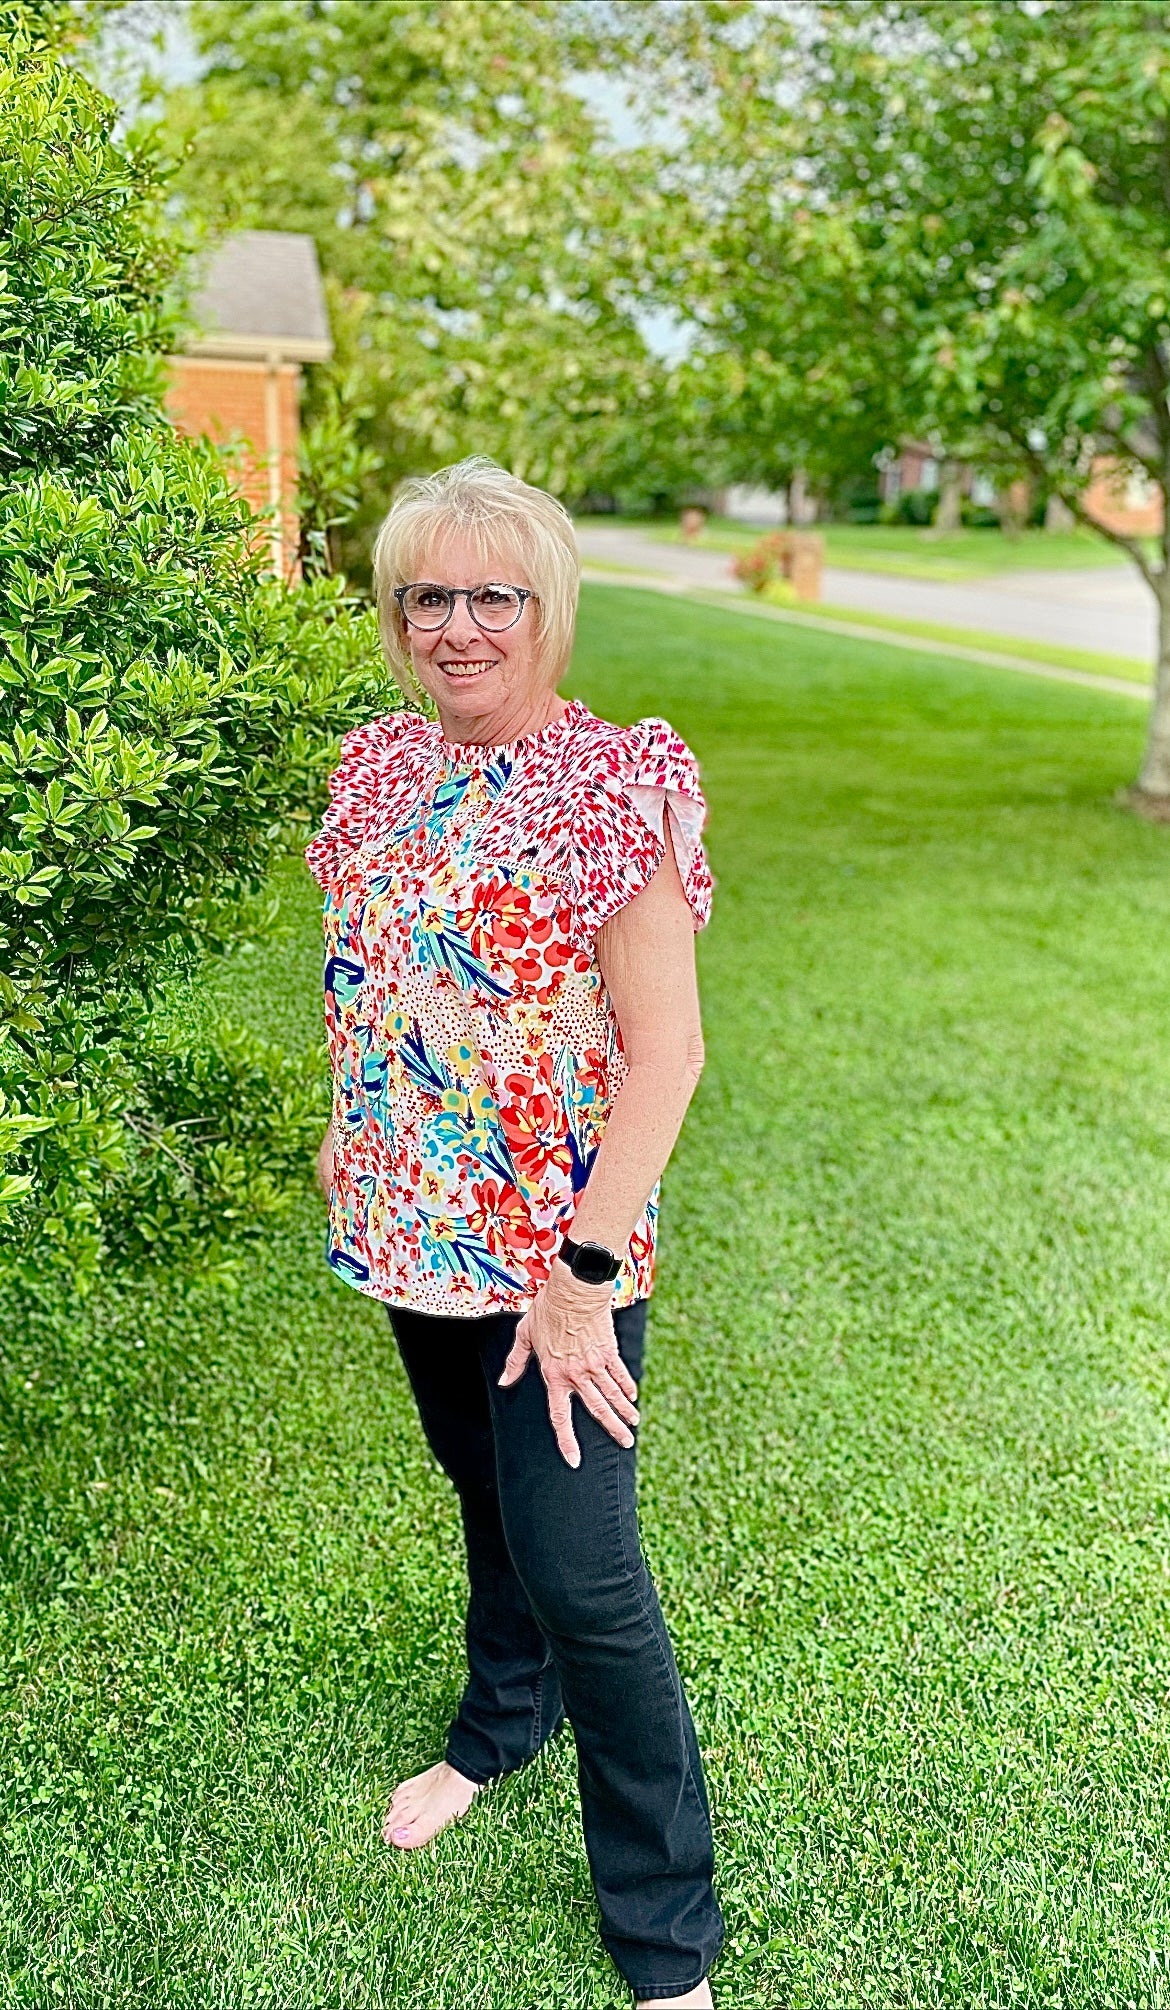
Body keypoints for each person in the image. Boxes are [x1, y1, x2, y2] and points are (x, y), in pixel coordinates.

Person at [306, 458, 723, 2007]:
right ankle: (497, 1723)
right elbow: (374, 975)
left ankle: (664, 1936)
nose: (458, 626)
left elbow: (665, 1053)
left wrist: (580, 1280)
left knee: (584, 1571)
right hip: (412, 1225)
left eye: (495, 595)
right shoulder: (373, 768)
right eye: (428, 593)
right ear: (395, 611)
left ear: (547, 610)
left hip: (562, 1254)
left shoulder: (610, 779)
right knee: (482, 1497)